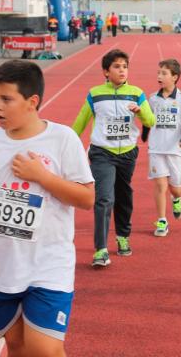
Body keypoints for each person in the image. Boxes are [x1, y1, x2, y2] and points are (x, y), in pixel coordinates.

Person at [0, 60, 95, 357]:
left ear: (32, 102)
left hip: (48, 265)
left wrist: (42, 177)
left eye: (7, 99)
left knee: (45, 350)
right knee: (18, 348)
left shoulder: (62, 140)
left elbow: (86, 198)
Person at [72, 49, 155, 267]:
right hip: (102, 153)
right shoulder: (96, 94)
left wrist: (140, 112)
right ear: (106, 72)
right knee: (104, 198)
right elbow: (80, 122)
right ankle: (100, 249)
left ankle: (122, 236)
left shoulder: (137, 93)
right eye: (117, 66)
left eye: (125, 66)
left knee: (123, 196)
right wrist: (68, 143)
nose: (122, 70)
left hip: (127, 153)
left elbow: (151, 121)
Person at [141, 59, 181, 237]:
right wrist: (145, 134)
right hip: (156, 148)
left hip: (174, 150)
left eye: (164, 73)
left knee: (175, 188)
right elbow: (149, 119)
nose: (160, 76)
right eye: (159, 73)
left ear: (175, 77)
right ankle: (162, 220)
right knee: (159, 184)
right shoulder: (152, 98)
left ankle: (177, 199)